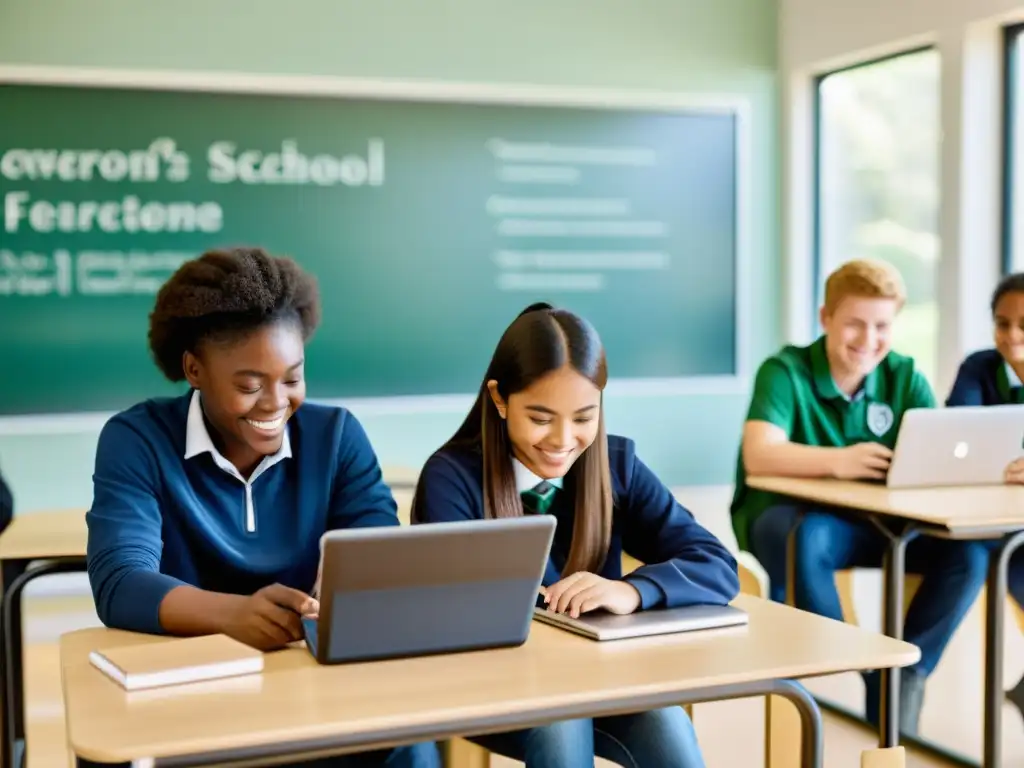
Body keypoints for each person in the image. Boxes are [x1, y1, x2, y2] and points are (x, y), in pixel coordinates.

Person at [85, 246, 440, 768]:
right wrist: (232, 615)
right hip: (197, 696)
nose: (276, 403)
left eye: (292, 378)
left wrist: (330, 602)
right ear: (194, 369)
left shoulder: (336, 436)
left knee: (410, 743)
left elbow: (377, 558)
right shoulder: (137, 440)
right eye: (249, 386)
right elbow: (120, 582)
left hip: (317, 687)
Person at [412, 302, 739, 768]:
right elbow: (447, 608)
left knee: (666, 721)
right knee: (560, 716)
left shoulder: (616, 465)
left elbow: (716, 564)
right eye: (541, 418)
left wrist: (634, 590)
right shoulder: (452, 478)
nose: (563, 439)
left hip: (596, 679)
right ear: (500, 399)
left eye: (584, 417)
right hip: (492, 685)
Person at [729, 258, 989, 736]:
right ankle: (864, 667)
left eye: (882, 326)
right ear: (826, 317)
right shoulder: (785, 371)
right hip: (797, 520)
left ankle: (905, 674)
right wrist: (839, 459)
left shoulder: (905, 375)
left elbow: (939, 453)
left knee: (970, 555)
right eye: (854, 324)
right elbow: (759, 455)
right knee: (808, 538)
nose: (868, 340)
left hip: (879, 523)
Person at [945, 272, 1024, 710]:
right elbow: (957, 439)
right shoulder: (979, 368)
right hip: (994, 526)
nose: (1012, 336)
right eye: (1002, 322)